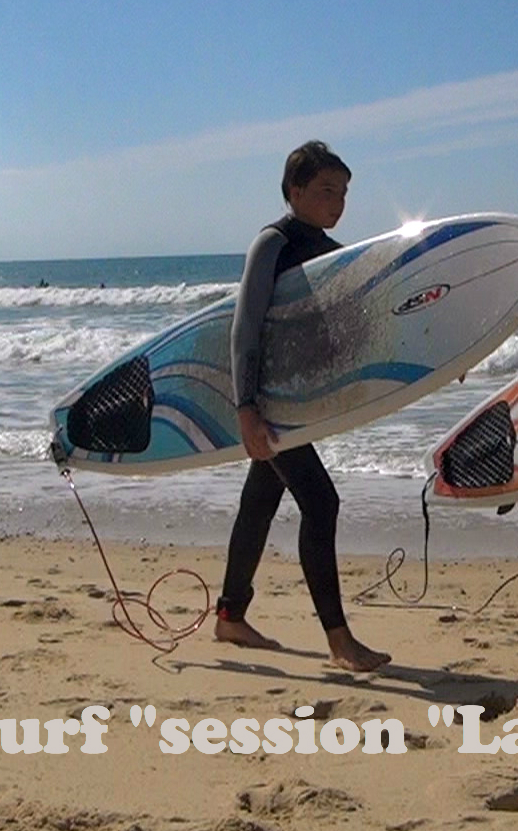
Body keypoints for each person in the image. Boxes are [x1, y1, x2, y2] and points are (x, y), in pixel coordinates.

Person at [215, 140, 390, 672]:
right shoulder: (272, 243)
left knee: (260, 500)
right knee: (321, 502)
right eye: (325, 190)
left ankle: (229, 616)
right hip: (266, 401)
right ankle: (339, 641)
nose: (337, 202)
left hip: (294, 403)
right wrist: (246, 406)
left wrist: (442, 361)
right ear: (295, 191)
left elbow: (365, 326)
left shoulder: (329, 252)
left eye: (343, 192)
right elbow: (245, 328)